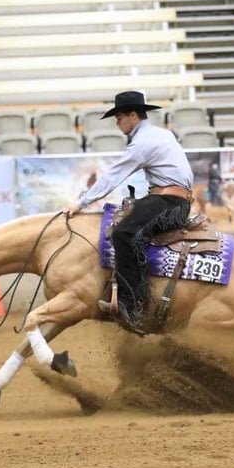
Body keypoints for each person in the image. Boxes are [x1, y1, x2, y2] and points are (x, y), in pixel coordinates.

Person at [63, 91, 194, 328]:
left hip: (170, 203)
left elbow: (113, 176)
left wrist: (80, 203)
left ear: (133, 116)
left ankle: (133, 304)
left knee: (124, 233)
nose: (117, 123)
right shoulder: (162, 134)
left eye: (119, 117)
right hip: (174, 200)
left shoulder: (143, 143)